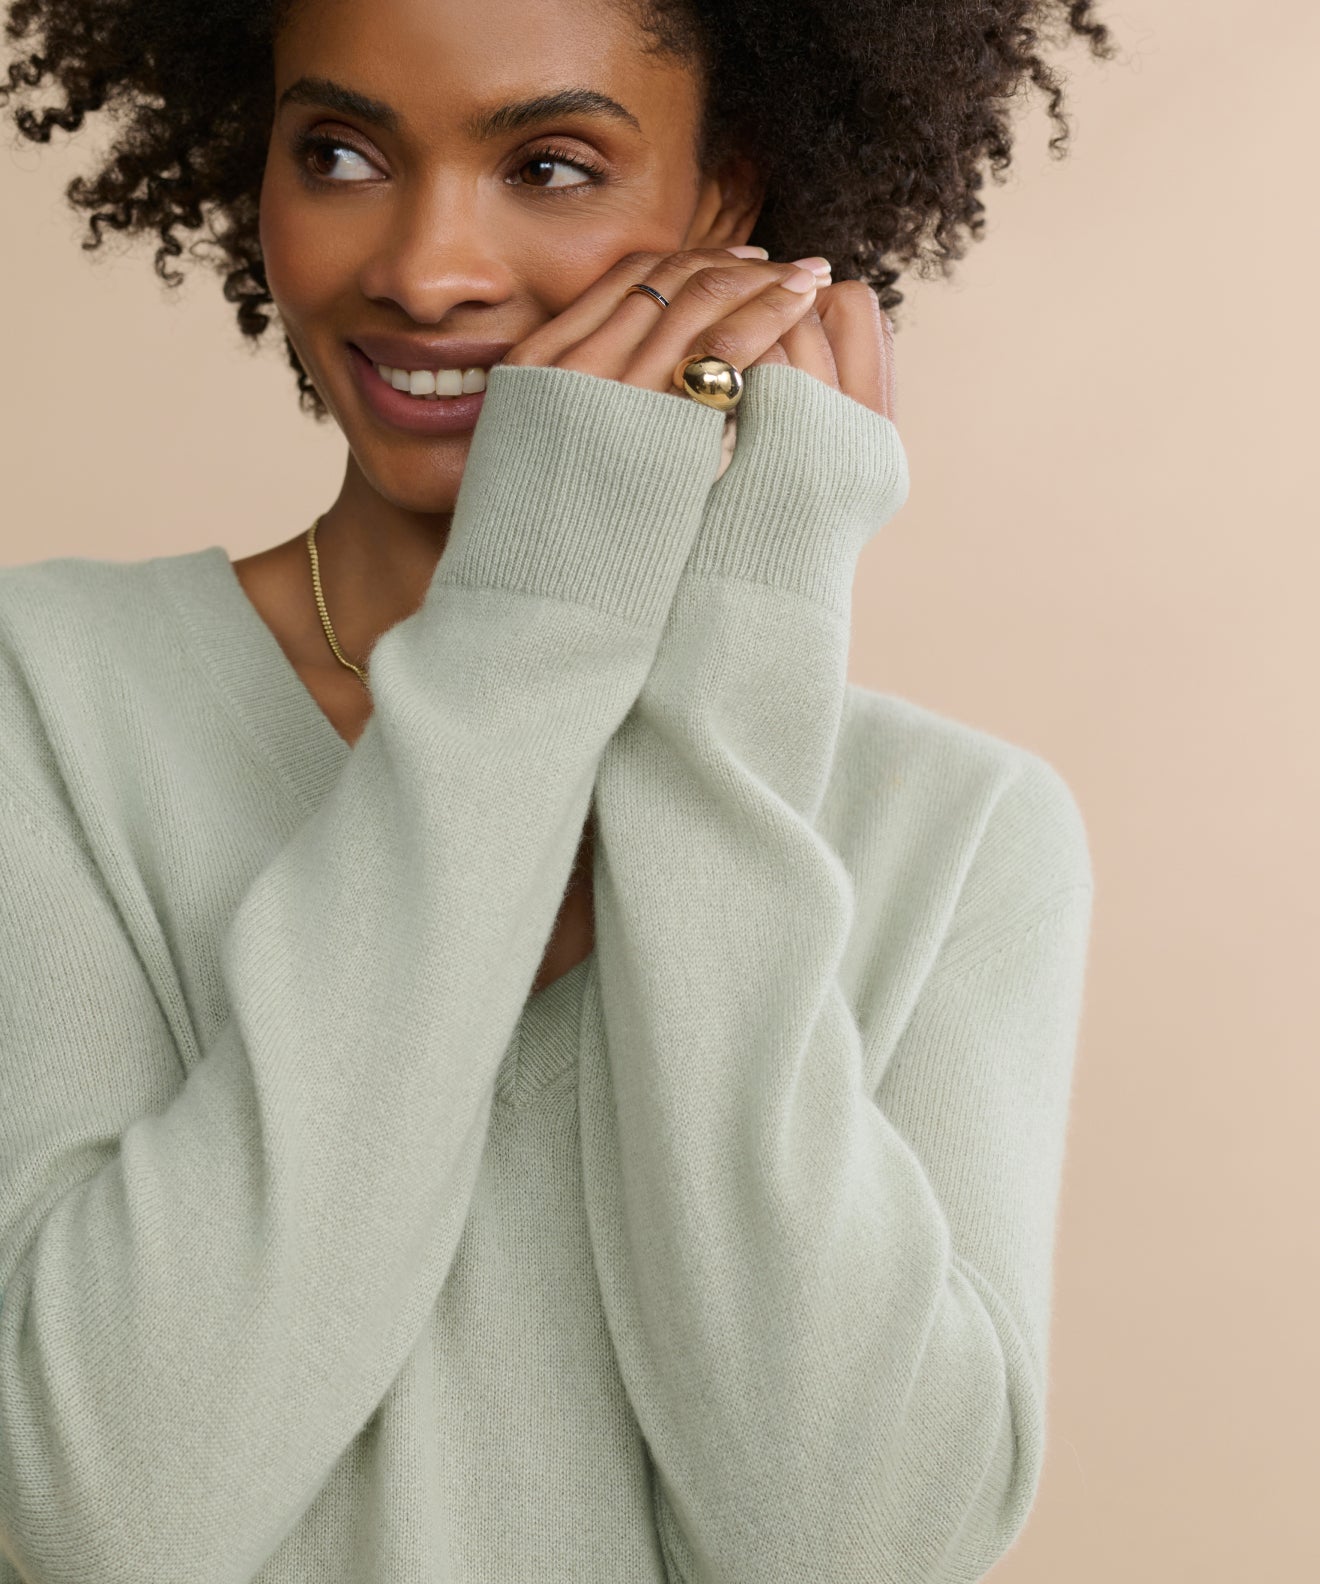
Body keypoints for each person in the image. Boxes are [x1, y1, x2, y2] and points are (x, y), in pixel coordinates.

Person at [0, 0, 1115, 1578]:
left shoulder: (960, 836)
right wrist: (527, 629)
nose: (424, 265)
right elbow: (111, 1511)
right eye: (337, 153)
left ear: (727, 195)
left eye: (551, 163)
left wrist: (738, 662)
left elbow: (855, 1544)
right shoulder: (36, 704)